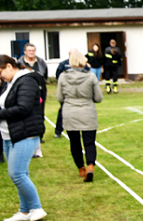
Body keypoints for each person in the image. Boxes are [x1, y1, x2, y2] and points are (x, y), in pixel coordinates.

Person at [0, 55, 47, 221]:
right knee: (21, 173)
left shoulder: (26, 81)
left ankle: (37, 208)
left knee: (17, 174)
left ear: (9, 66)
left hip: (25, 134)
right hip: (8, 135)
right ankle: (25, 211)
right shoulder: (8, 83)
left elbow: (23, 108)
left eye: (0, 72)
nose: (0, 76)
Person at [57, 50, 102, 183]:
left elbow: (59, 97)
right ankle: (90, 166)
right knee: (89, 142)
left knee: (74, 142)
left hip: (70, 112)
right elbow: (98, 98)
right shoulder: (91, 76)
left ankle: (81, 168)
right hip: (87, 112)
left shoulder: (63, 77)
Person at [18, 43, 48, 152]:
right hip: (24, 91)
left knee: (40, 113)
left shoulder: (40, 62)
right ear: (25, 52)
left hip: (39, 91)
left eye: (33, 50)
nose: (31, 52)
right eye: (29, 50)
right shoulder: (19, 63)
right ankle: (25, 135)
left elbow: (45, 76)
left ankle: (39, 136)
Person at [53, 50, 75, 139]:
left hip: (78, 93)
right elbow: (58, 76)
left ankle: (75, 131)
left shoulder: (82, 65)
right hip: (66, 92)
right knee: (63, 111)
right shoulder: (63, 64)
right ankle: (58, 131)